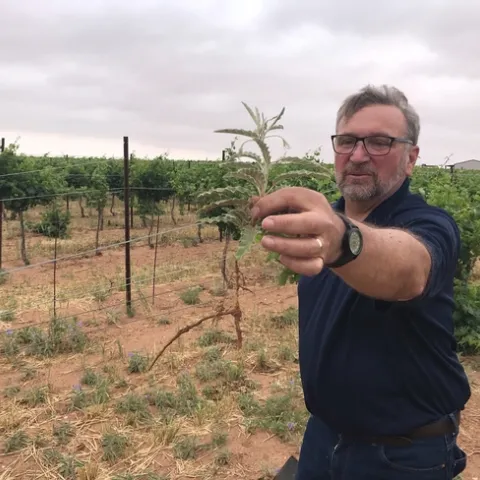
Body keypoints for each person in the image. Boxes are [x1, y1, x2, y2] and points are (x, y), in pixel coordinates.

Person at [250, 85, 471, 479]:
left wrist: (342, 241)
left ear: (411, 159)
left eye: (380, 142)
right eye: (348, 141)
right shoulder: (322, 221)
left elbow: (409, 269)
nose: (358, 154)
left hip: (402, 455)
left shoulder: (431, 225)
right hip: (322, 437)